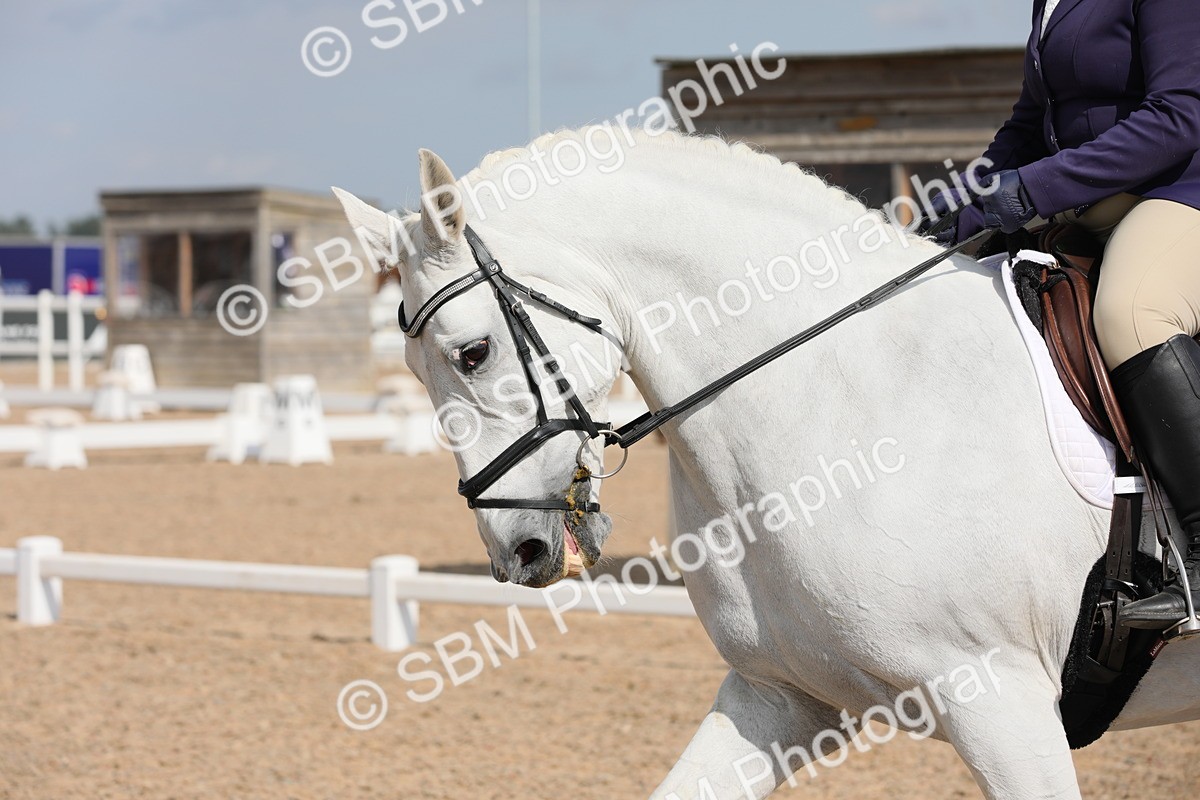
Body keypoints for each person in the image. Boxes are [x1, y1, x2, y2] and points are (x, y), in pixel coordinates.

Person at [933, 0, 1200, 631]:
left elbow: (1181, 113)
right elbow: (1032, 122)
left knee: (1134, 311)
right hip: (1097, 199)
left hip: (1180, 191)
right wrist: (966, 204)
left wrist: (1035, 189)